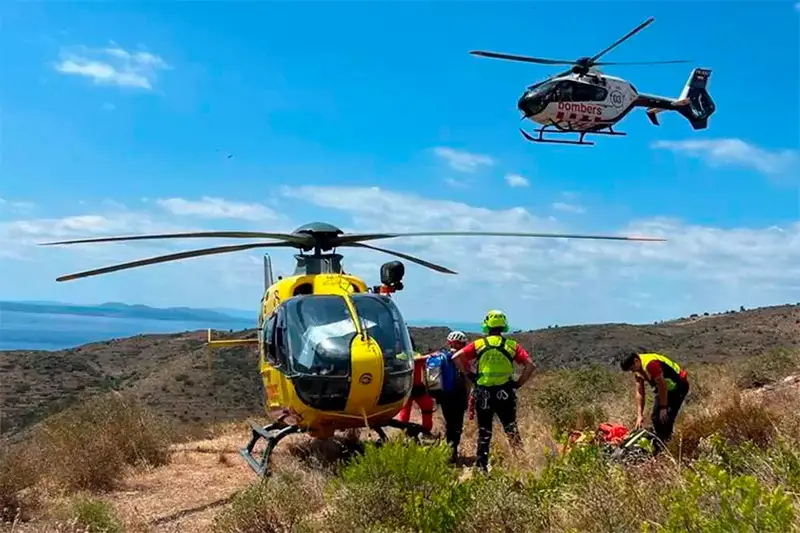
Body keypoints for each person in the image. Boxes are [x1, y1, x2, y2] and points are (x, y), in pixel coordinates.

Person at [452, 310, 535, 471]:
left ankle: (481, 467)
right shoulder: (511, 345)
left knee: (484, 432)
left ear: (487, 325)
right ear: (504, 326)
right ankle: (522, 464)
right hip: (505, 393)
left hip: (483, 393)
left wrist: (469, 374)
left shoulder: (479, 344)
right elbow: (530, 365)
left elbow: (456, 357)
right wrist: (518, 383)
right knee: (511, 428)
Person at [620, 351, 690, 453]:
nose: (632, 371)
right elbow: (640, 392)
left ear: (636, 361)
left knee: (665, 417)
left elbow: (663, 386)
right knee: (655, 417)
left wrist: (663, 408)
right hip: (664, 388)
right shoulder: (637, 368)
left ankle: (668, 445)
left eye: (632, 368)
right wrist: (640, 415)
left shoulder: (651, 364)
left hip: (678, 387)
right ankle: (659, 441)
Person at [426, 330, 471, 463]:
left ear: (449, 342)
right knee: (456, 425)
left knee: (449, 423)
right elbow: (467, 379)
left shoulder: (440, 356)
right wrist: (467, 396)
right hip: (459, 395)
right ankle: (453, 450)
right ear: (462, 344)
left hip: (444, 395)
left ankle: (449, 450)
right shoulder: (462, 358)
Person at [396, 337, 435, 433]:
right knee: (426, 406)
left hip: (408, 387)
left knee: (409, 408)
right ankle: (425, 429)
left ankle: (405, 430)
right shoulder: (405, 356)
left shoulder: (399, 356)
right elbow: (416, 359)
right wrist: (428, 356)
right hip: (413, 387)